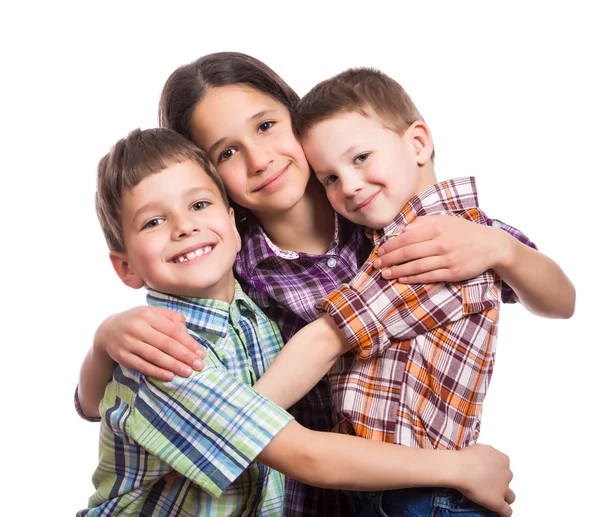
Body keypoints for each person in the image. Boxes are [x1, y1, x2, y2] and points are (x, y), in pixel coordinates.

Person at [76, 52, 575, 517]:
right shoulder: (230, 261)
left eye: (268, 127)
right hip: (304, 492)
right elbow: (104, 405)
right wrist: (106, 339)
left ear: (298, 118)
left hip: (412, 473)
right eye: (228, 151)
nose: (260, 159)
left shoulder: (382, 209)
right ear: (212, 177)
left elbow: (561, 300)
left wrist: (501, 249)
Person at [252, 66, 572, 516]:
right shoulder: (461, 230)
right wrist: (504, 251)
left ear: (418, 143)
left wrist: (231, 423)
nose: (350, 185)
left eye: (360, 157)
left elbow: (324, 341)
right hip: (412, 488)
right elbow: (564, 302)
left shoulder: (416, 246)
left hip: (420, 498)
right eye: (329, 178)